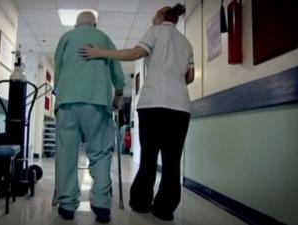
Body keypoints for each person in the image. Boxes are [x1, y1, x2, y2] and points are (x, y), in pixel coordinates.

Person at [79, 4, 194, 221]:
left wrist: (99, 53)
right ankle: (165, 209)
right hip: (180, 107)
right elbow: (189, 77)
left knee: (149, 157)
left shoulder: (155, 31)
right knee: (172, 161)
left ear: (161, 16)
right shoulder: (186, 43)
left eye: (154, 16)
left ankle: (141, 203)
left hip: (153, 104)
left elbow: (135, 53)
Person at [53, 11, 125, 223]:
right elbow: (117, 73)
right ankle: (101, 204)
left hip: (67, 102)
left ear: (76, 25)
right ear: (95, 24)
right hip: (97, 101)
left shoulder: (65, 38)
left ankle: (66, 205)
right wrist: (118, 95)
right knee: (101, 152)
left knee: (66, 152)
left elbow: (58, 72)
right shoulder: (104, 38)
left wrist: (61, 91)